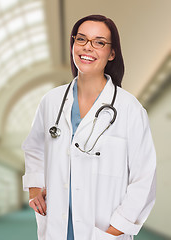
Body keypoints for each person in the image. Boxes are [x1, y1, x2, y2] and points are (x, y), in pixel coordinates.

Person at [22, 14, 156, 240]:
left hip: (103, 231)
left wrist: (114, 231)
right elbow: (34, 147)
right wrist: (35, 187)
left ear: (112, 53)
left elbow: (144, 178)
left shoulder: (130, 109)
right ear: (73, 44)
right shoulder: (51, 101)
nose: (88, 47)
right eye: (81, 39)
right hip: (57, 227)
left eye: (99, 42)